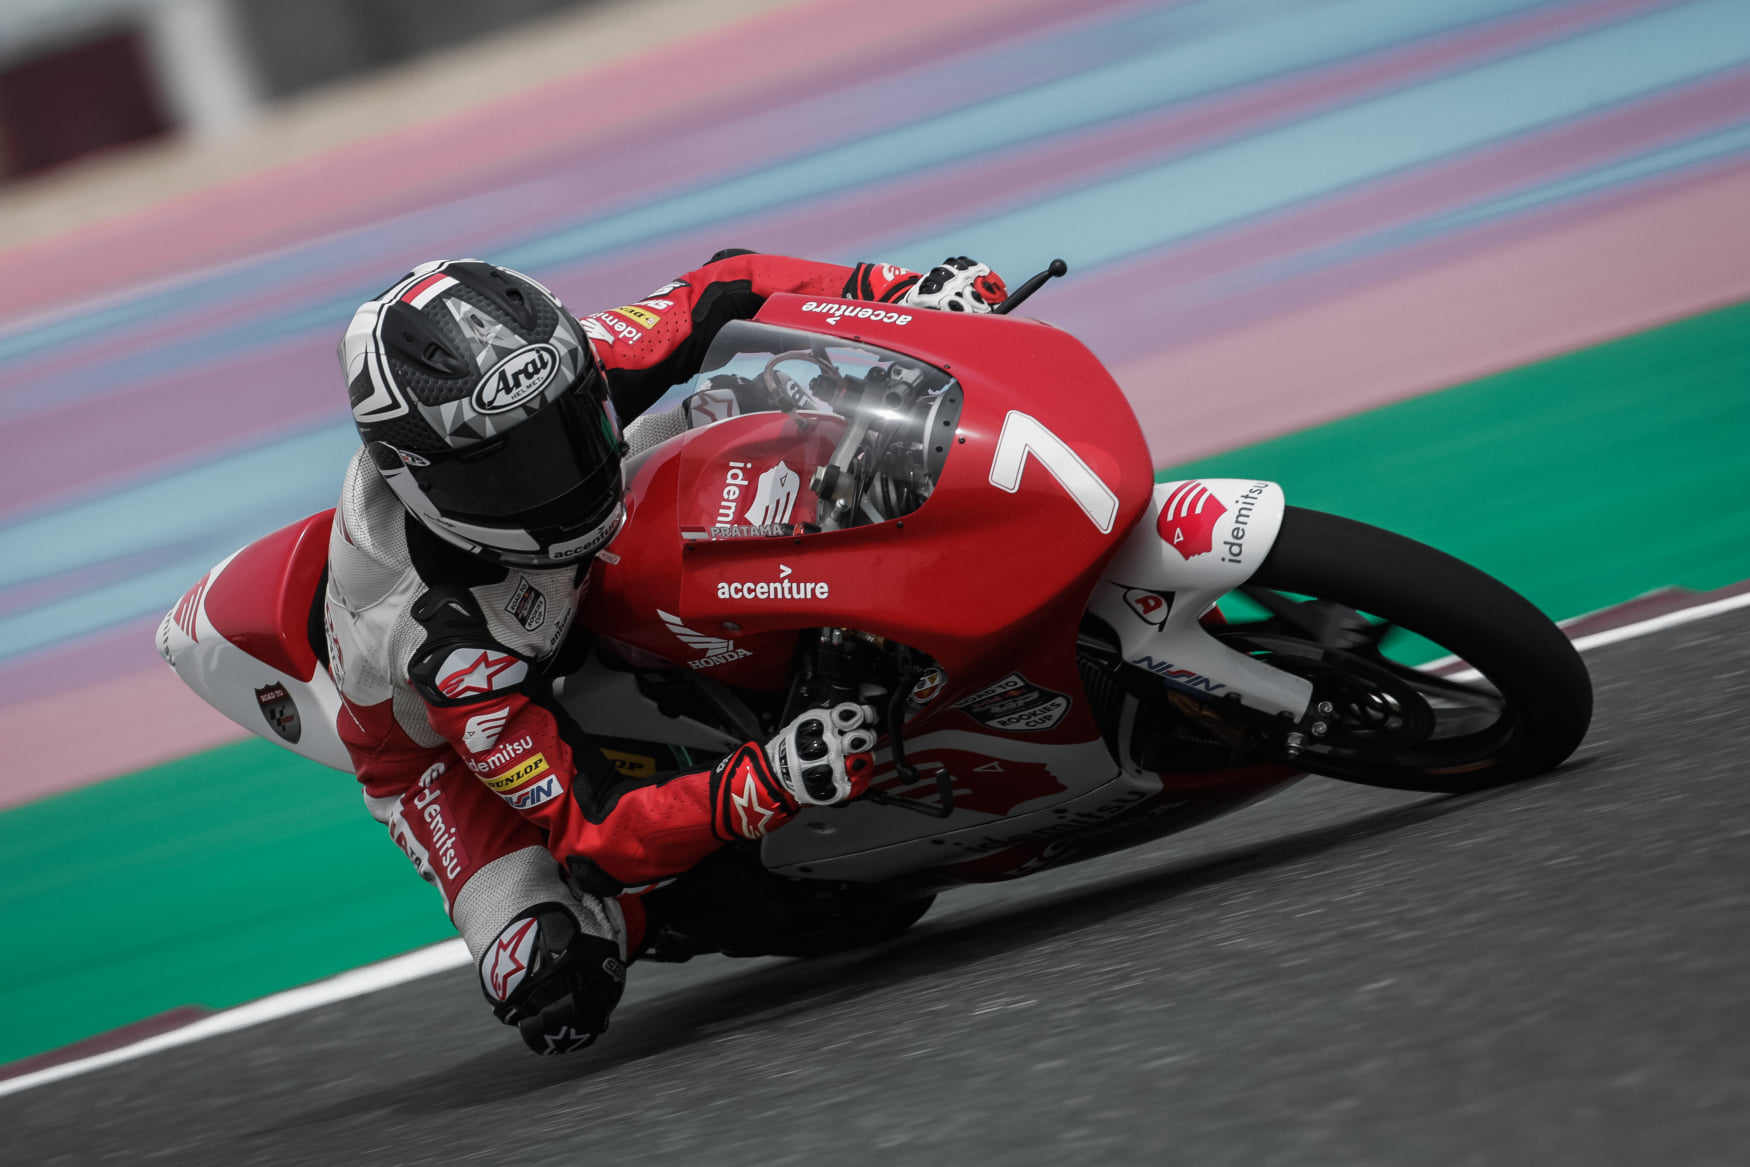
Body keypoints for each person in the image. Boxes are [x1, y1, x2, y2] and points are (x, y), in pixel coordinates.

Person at [324, 251, 1007, 1054]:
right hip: (439, 742)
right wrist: (763, 783)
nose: (557, 477)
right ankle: (636, 918)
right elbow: (596, 825)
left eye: (566, 429)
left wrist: (894, 294)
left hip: (570, 570)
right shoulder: (445, 642)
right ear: (423, 484)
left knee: (768, 396)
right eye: (512, 472)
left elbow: (725, 286)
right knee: (554, 976)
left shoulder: (551, 370)